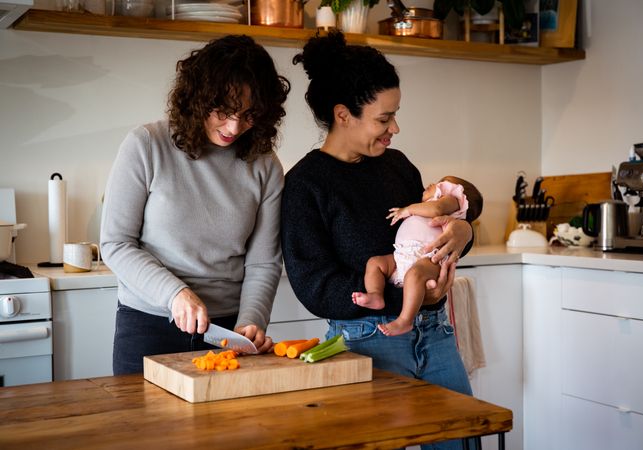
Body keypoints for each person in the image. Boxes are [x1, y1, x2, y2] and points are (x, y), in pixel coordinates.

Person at [281, 31, 482, 450]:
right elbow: (314, 285)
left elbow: (428, 231)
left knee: (462, 441)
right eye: (383, 118)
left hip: (436, 333)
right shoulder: (306, 184)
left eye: (395, 115)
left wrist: (464, 233)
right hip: (367, 344)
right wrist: (404, 300)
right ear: (342, 114)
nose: (395, 127)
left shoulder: (397, 166)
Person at [100, 35, 291, 375]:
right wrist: (175, 294)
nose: (234, 127)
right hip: (148, 325)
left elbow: (263, 262)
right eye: (224, 111)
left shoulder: (265, 165)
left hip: (226, 331)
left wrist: (250, 322)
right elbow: (116, 243)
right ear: (198, 98)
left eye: (249, 115)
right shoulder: (146, 145)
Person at [352, 176, 482, 337]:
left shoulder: (453, 200)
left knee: (415, 275)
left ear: (456, 191)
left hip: (428, 257)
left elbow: (437, 209)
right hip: (402, 255)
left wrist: (407, 209)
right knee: (375, 263)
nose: (432, 184)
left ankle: (405, 320)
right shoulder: (426, 205)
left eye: (441, 183)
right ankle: (376, 295)